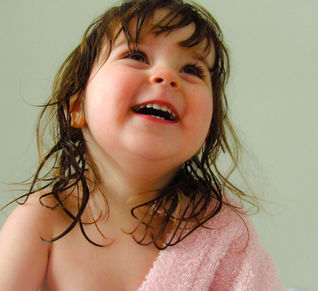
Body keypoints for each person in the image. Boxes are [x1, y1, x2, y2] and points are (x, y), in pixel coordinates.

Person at [0, 0, 285, 290]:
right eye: (136, 55)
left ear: (209, 127)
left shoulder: (222, 231)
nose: (167, 76)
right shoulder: (42, 221)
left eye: (192, 69)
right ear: (77, 106)